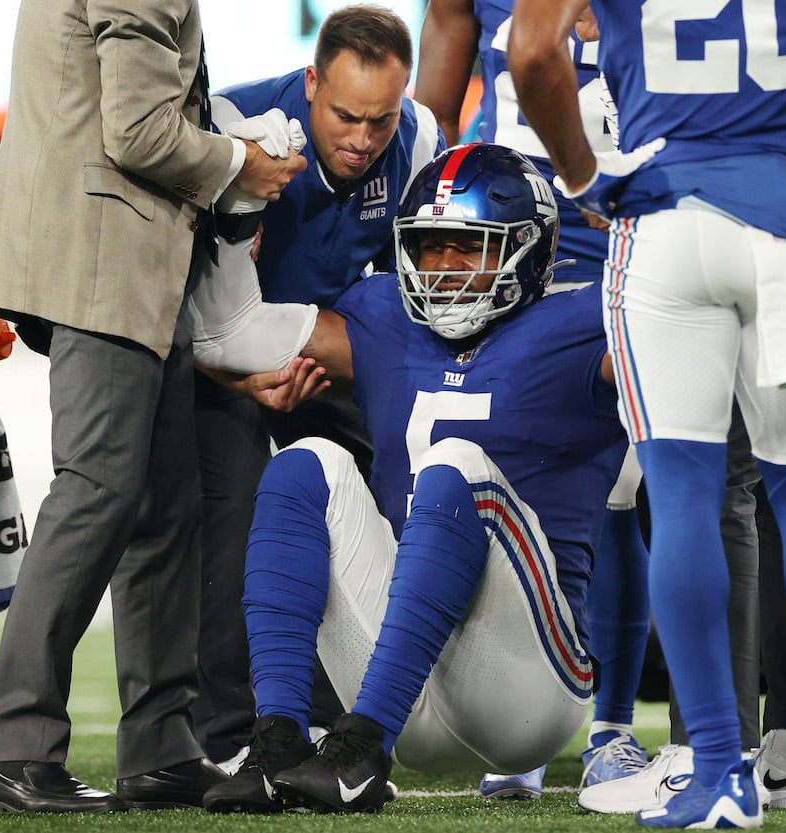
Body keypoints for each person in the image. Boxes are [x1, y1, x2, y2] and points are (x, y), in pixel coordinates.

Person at [509, 0, 786, 828]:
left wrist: (585, 176)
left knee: (685, 500)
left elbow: (532, 53)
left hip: (665, 222)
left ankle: (719, 773)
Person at [192, 143, 630, 814]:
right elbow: (233, 333)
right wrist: (240, 206)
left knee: (455, 465)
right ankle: (279, 740)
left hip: (531, 689)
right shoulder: (382, 317)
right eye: (428, 246)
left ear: (529, 249)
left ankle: (361, 745)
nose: (443, 267)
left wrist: (642, 229)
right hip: (408, 686)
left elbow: (677, 333)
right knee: (303, 464)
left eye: (467, 246)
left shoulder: (581, 325)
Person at [0, 0, 306, 814]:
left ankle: (160, 745)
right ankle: (19, 747)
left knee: (163, 508)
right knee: (100, 491)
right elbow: (138, 130)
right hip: (105, 262)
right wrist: (241, 164)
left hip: (132, 267)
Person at [191, 3, 444, 771]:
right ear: (310, 83)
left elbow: (408, 289)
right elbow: (183, 310)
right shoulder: (233, 123)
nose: (363, 140)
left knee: (380, 489)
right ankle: (235, 731)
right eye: (345, 116)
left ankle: (350, 712)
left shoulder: (420, 138)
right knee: (236, 510)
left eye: (381, 119)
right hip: (220, 358)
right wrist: (243, 375)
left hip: (320, 352)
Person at [413, 0, 651, 799]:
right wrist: (429, 159)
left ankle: (611, 725)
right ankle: (524, 721)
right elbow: (449, 23)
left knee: (611, 487)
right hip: (502, 234)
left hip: (618, 228)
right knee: (512, 476)